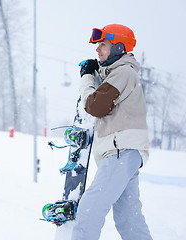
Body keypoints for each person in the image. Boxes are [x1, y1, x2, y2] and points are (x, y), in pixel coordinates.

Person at [72, 24, 153, 240]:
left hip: (121, 151)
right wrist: (95, 74)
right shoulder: (119, 74)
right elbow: (105, 95)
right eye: (97, 45)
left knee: (90, 209)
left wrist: (87, 78)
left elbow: (95, 106)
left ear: (118, 47)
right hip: (127, 152)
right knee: (129, 219)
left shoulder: (124, 72)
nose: (97, 50)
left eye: (103, 45)